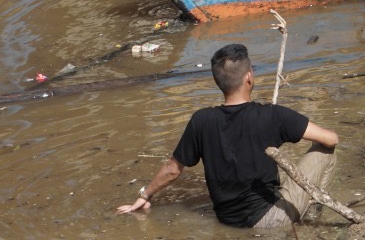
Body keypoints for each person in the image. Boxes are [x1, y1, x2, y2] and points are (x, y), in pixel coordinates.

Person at [115, 43, 339, 228]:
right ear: (249, 77)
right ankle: (312, 215)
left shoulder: (201, 120)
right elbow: (331, 139)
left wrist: (145, 194)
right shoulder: (272, 115)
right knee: (326, 151)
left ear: (217, 83)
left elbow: (173, 169)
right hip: (273, 219)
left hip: (227, 221)